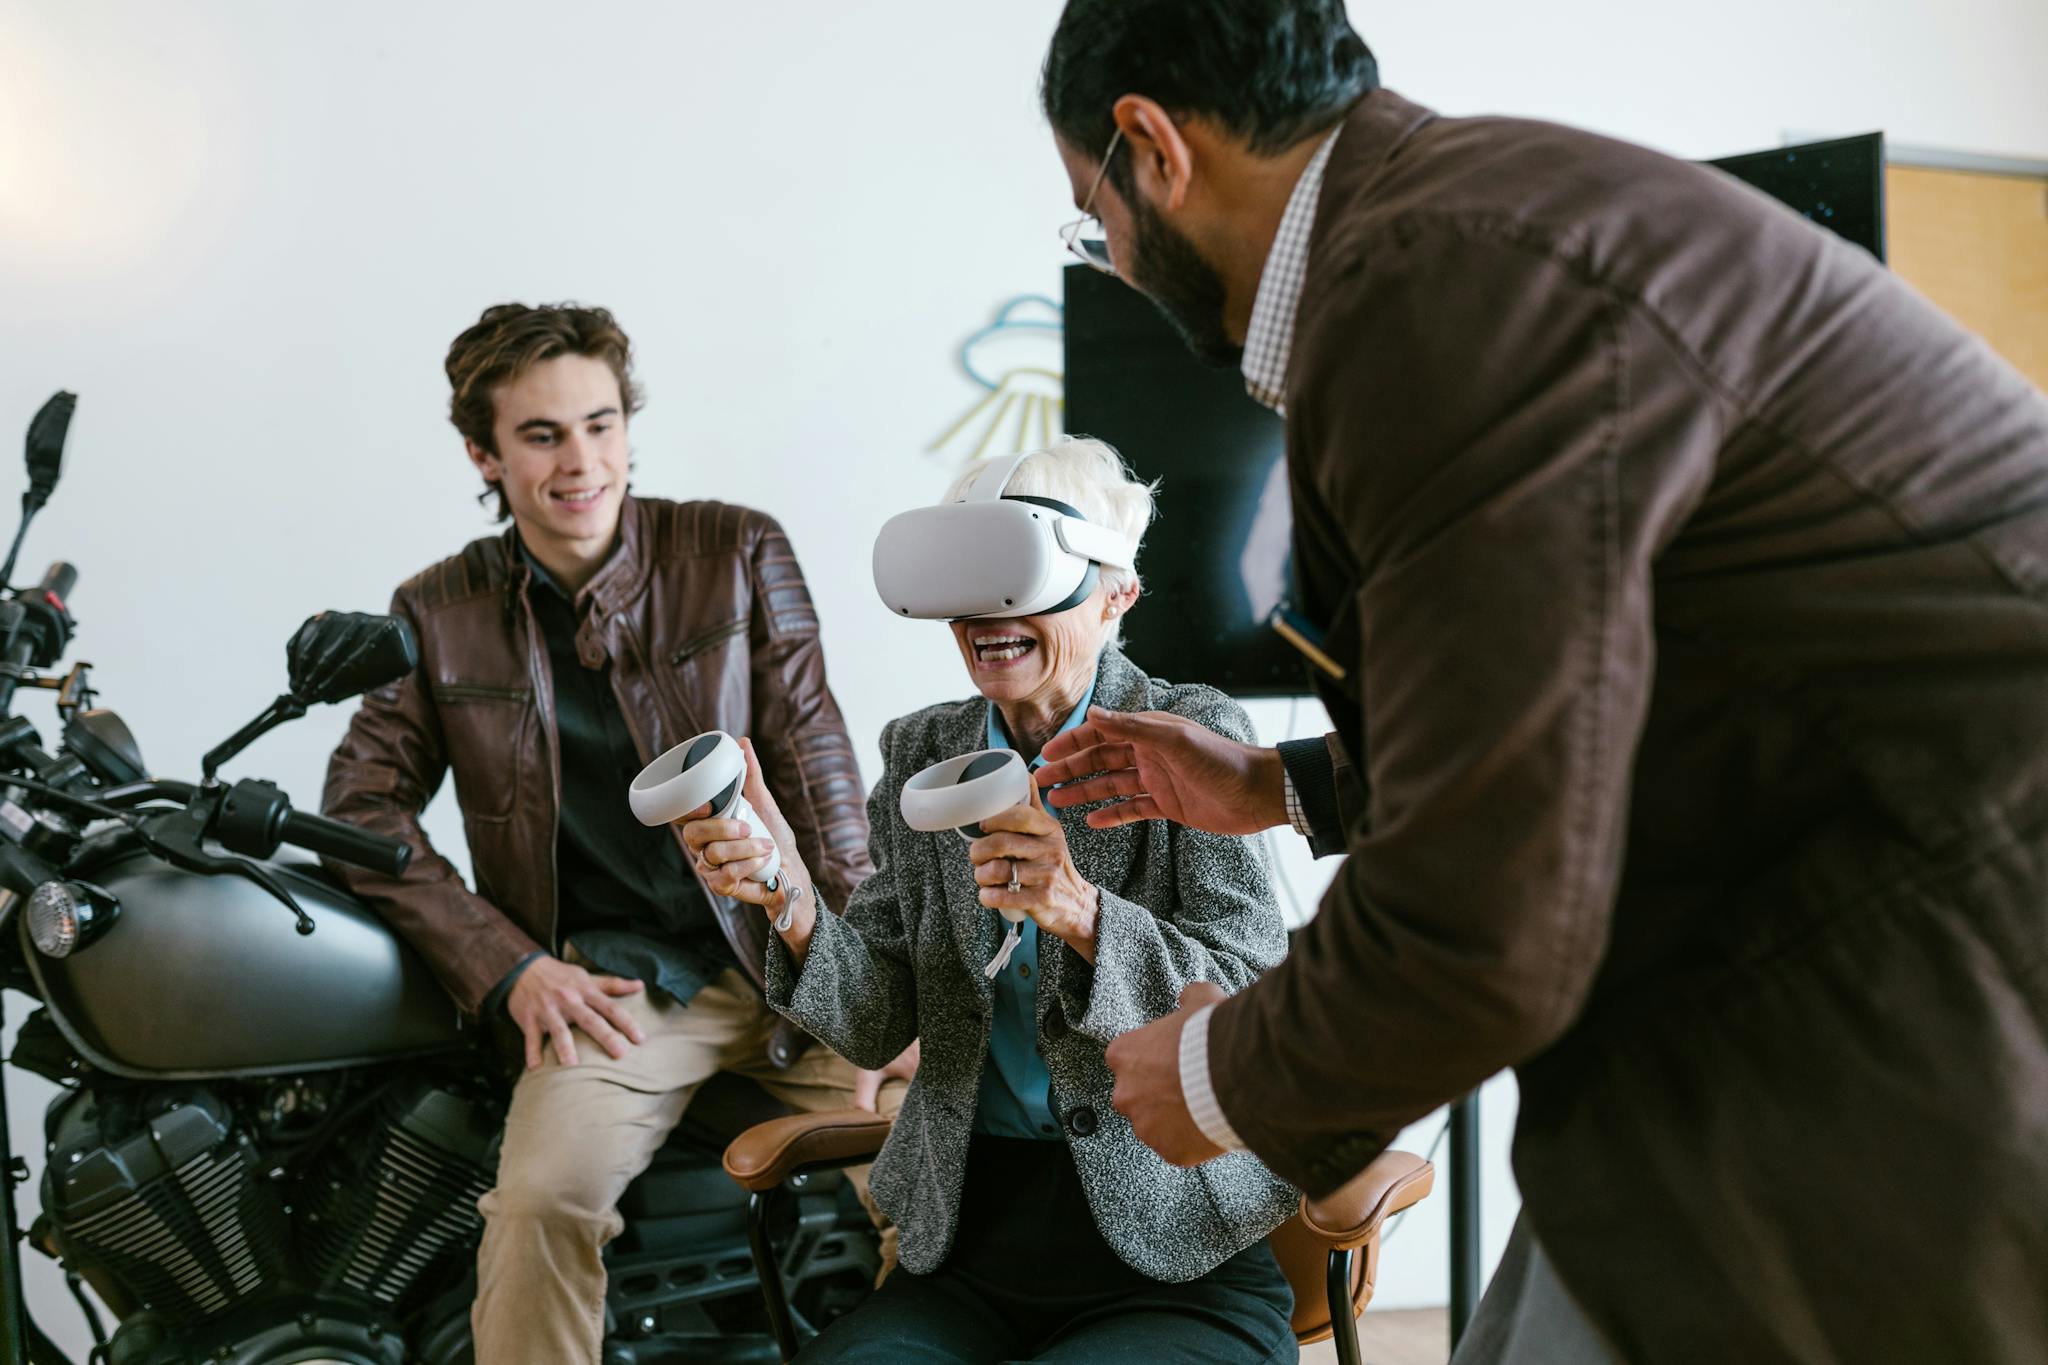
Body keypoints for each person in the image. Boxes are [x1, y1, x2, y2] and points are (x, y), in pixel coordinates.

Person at [1029, 3, 2048, 1362]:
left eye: (1092, 224)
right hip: (1816, 906)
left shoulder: (1432, 286)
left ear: (1153, 148)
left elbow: (1479, 918)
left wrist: (1219, 1075)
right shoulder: (1461, 224)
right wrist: (1282, 782)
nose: (1112, 264)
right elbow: (1583, 680)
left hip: (1915, 948)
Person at [322, 302, 908, 1365]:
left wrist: (877, 977)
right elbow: (358, 807)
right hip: (617, 995)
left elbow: (822, 780)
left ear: (628, 428)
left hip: (790, 951)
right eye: (541, 435)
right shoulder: (437, 608)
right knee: (540, 1205)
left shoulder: (733, 549)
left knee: (937, 1156)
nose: (579, 461)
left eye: (599, 424)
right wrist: (508, 970)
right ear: (483, 454)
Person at [685, 438, 1299, 1363]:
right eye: (967, 583)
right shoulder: (924, 752)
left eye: (1017, 576)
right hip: (969, 1250)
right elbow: (881, 1015)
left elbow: (1254, 999)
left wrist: (1085, 915)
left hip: (1177, 1252)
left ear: (1114, 596)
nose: (987, 614)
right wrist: (788, 893)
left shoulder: (1195, 736)